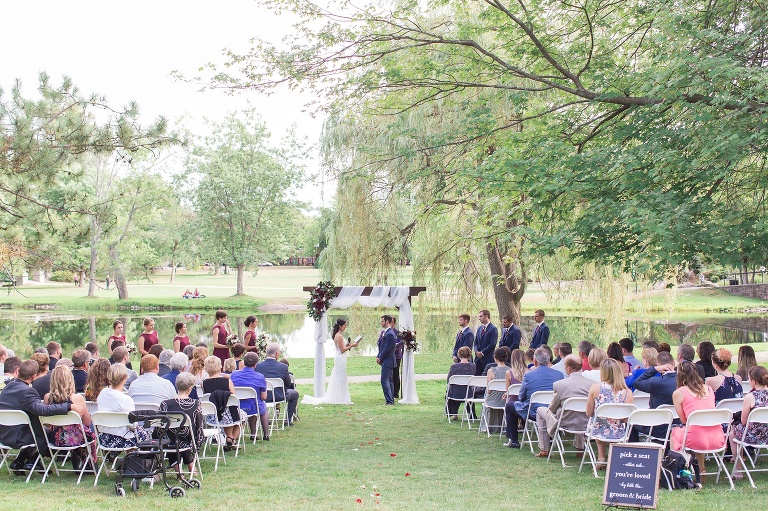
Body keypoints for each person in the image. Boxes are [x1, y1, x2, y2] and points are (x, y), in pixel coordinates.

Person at [0, 360, 85, 473]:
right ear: (34, 376)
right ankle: (33, 462)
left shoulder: (7, 387)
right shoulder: (28, 391)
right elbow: (42, 410)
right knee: (54, 434)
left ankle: (21, 461)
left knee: (44, 429)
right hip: (20, 437)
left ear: (18, 371)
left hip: (4, 435)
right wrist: (69, 406)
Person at [670, 361, 725, 479]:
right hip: (718, 438)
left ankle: (676, 469)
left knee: (675, 432)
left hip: (696, 439)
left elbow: (684, 420)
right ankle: (701, 468)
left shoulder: (679, 393)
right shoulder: (709, 389)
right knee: (699, 428)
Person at [503, 347, 564, 448]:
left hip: (533, 412)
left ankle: (513, 440)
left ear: (535, 361)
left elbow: (521, 396)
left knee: (510, 406)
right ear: (549, 360)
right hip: (553, 412)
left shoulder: (529, 376)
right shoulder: (559, 375)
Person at [535, 354, 593, 457]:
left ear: (569, 369)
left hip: (564, 422)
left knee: (540, 410)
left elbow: (552, 408)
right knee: (580, 412)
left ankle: (544, 448)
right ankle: (580, 448)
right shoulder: (592, 384)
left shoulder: (560, 384)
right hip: (585, 422)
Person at [43, 366, 97, 470]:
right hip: (76, 440)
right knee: (90, 425)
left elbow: (48, 423)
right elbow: (86, 422)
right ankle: (85, 458)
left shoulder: (47, 397)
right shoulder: (77, 398)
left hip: (56, 439)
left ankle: (78, 455)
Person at [585, 359, 634, 468]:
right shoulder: (627, 392)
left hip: (597, 429)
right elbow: (627, 419)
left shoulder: (595, 388)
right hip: (619, 431)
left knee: (599, 421)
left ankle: (601, 457)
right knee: (612, 423)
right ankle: (614, 457)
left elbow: (589, 412)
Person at [303, 318, 359, 405]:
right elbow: (342, 350)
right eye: (344, 325)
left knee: (341, 377)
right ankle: (339, 398)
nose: (345, 327)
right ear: (340, 326)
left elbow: (342, 347)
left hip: (341, 358)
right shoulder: (339, 336)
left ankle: (341, 397)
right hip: (340, 358)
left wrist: (348, 345)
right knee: (340, 377)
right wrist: (352, 345)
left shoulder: (338, 335)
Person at [96, 363, 151, 449]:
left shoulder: (102, 393)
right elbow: (133, 425)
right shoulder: (126, 399)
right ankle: (135, 458)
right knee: (143, 433)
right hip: (121, 439)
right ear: (125, 379)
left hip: (103, 437)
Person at [160, 373, 204, 474]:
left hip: (169, 441)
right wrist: (198, 441)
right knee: (182, 436)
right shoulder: (195, 404)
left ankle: (179, 471)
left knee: (172, 435)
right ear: (190, 389)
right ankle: (191, 466)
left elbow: (161, 427)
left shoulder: (165, 404)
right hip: (189, 439)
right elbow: (199, 425)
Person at [729, 366, 768, 479]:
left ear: (754, 381)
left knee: (733, 434)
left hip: (753, 436)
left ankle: (738, 470)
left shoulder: (750, 397)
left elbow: (743, 421)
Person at [202, 356, 244, 451]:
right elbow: (234, 398)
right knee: (242, 416)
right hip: (229, 415)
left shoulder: (203, 383)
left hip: (213, 416)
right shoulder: (227, 381)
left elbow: (207, 398)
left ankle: (230, 439)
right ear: (220, 366)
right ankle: (231, 439)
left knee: (229, 414)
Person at [256, 343, 300, 423]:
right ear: (276, 354)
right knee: (295, 394)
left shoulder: (258, 366)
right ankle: (288, 419)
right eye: (279, 352)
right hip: (278, 396)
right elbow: (288, 383)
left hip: (261, 396)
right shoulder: (283, 367)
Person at [231, 352, 270, 441]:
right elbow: (264, 397)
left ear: (244, 362)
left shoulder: (234, 374)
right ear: (255, 364)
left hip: (237, 406)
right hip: (253, 407)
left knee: (254, 403)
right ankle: (265, 434)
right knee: (262, 405)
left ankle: (253, 434)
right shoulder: (260, 377)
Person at [484, 348, 511, 433]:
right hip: (506, 400)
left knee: (486, 395)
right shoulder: (510, 370)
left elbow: (489, 390)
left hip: (494, 400)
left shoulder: (491, 371)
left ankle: (488, 425)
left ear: (495, 357)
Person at [445, 346, 476, 419]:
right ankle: (471, 413)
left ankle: (453, 414)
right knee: (465, 390)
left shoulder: (454, 366)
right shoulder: (473, 366)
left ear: (459, 355)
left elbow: (449, 380)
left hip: (456, 393)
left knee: (450, 392)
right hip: (469, 393)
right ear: (469, 355)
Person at [376, 315, 397, 405]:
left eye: (382, 321)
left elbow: (387, 349)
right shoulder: (386, 332)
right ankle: (390, 399)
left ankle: (389, 401)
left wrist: (380, 358)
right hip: (386, 360)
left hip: (388, 360)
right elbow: (381, 346)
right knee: (389, 380)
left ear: (387, 322)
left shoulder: (390, 334)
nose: (381, 323)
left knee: (384, 380)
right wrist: (378, 355)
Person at [474, 310, 498, 377]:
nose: (479, 318)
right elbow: (475, 342)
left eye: (481, 316)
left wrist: (482, 353)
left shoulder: (493, 329)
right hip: (478, 359)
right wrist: (476, 351)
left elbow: (492, 344)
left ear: (486, 316)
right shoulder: (479, 328)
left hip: (487, 358)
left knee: (486, 378)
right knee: (477, 378)